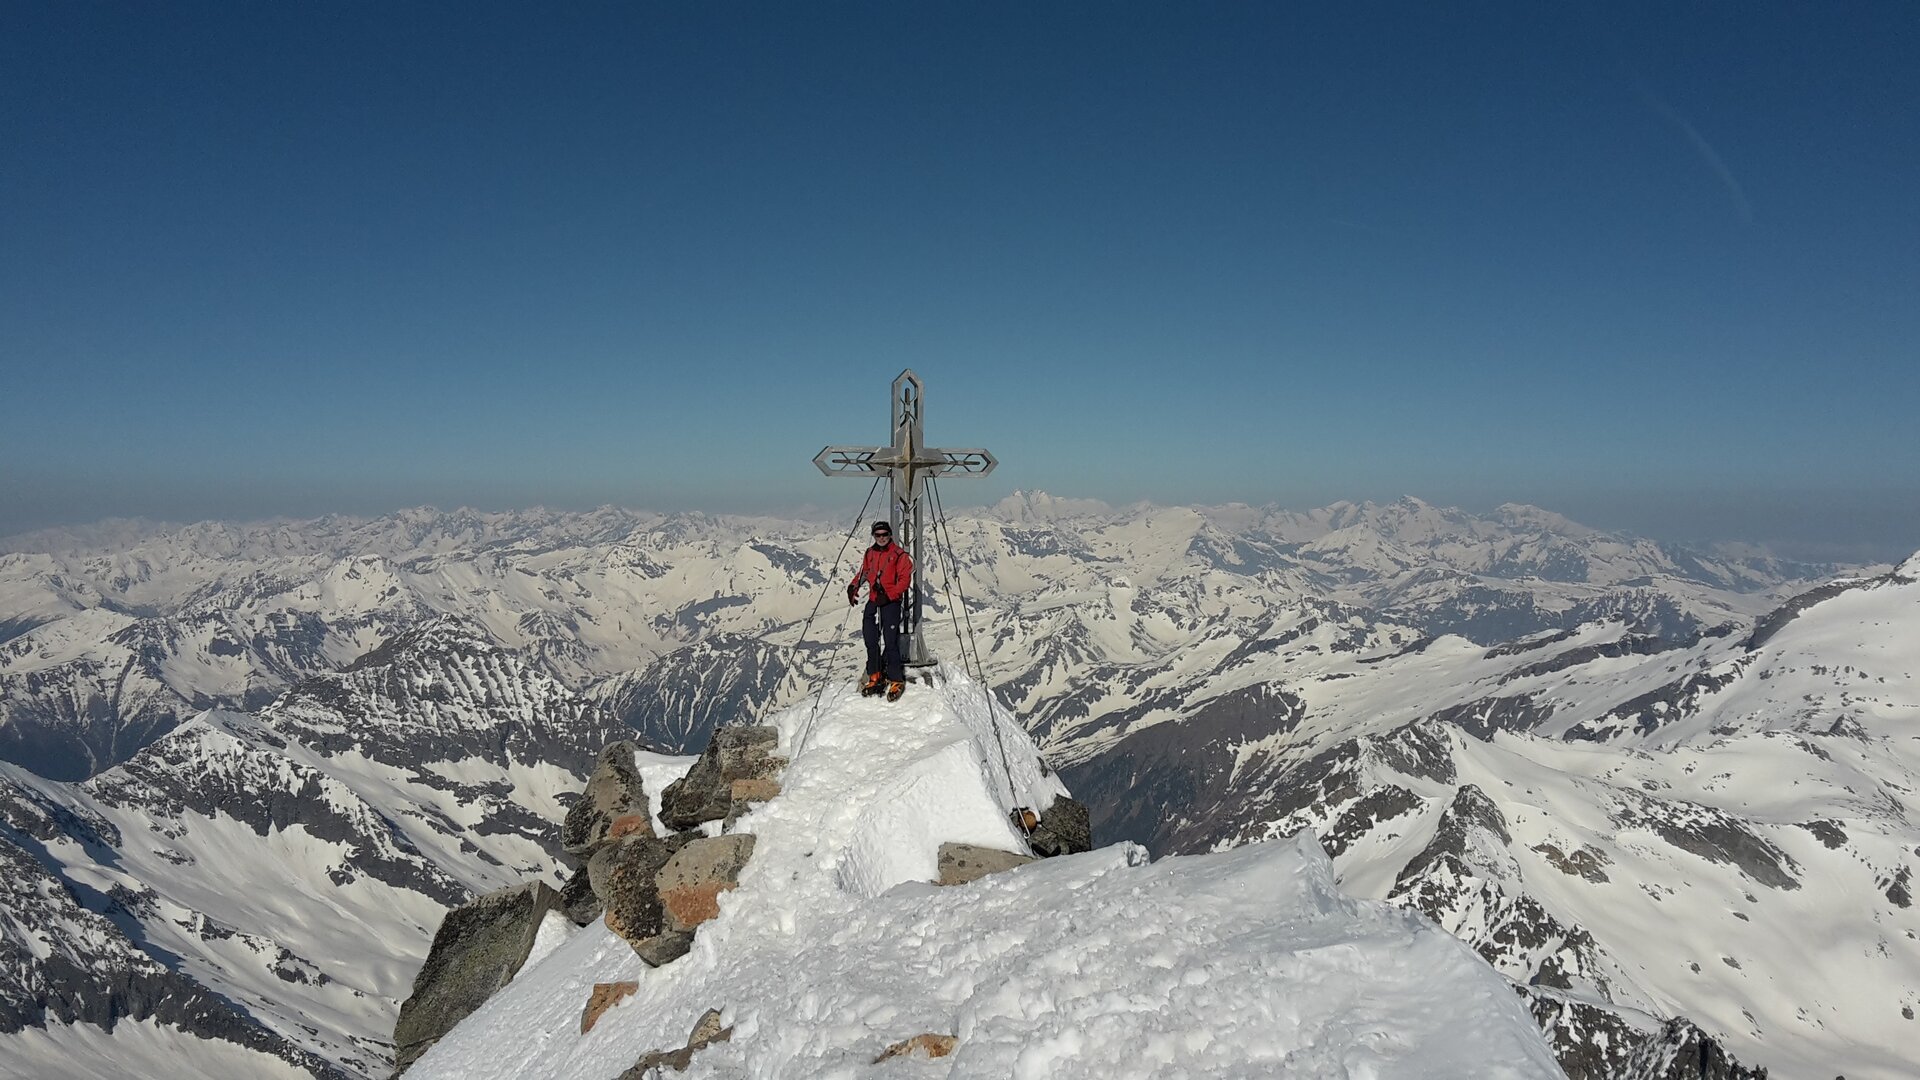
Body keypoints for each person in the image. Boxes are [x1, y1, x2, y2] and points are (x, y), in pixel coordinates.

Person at [847, 520, 913, 701]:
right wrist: (854, 586)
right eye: (878, 535)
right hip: (874, 600)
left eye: (885, 535)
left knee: (890, 641)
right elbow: (865, 572)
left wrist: (890, 595)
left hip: (890, 603)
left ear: (890, 535)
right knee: (870, 638)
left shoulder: (899, 555)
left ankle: (896, 679)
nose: (881, 538)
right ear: (874, 536)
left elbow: (904, 581)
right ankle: (875, 675)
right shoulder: (870, 553)